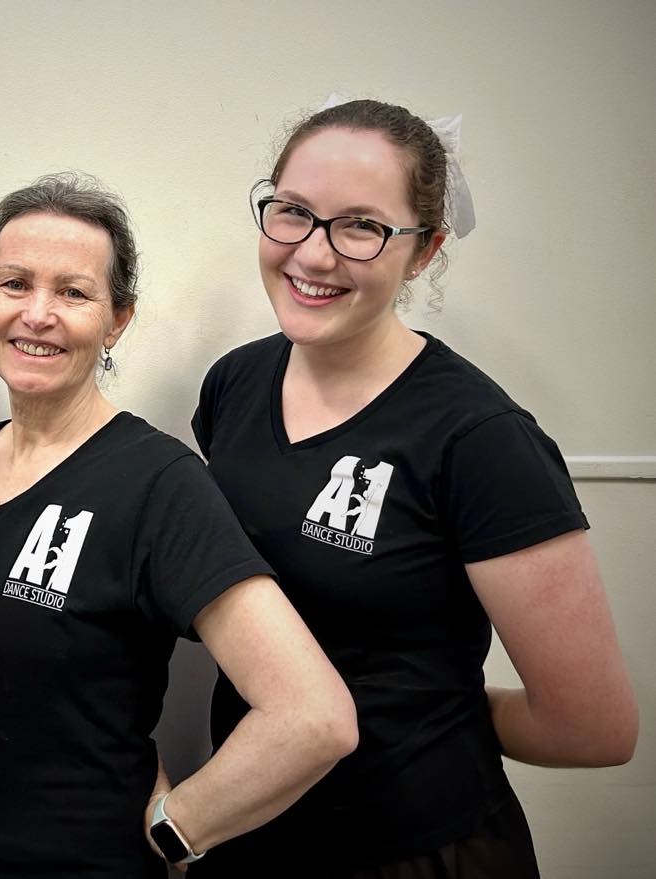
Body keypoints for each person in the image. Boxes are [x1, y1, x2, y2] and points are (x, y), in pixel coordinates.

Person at [191, 99, 639, 877]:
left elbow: (593, 727)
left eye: (361, 225)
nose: (314, 253)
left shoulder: (481, 439)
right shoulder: (234, 383)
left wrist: (431, 718)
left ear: (425, 250)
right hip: (248, 830)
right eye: (293, 211)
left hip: (415, 851)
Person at [0, 173, 358, 878]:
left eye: (73, 292)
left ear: (117, 319)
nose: (38, 313)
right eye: (15, 283)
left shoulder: (158, 482)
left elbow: (313, 716)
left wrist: (179, 829)